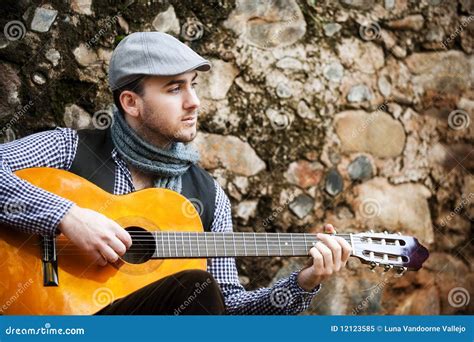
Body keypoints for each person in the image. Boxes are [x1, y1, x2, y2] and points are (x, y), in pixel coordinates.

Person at [0, 32, 351, 315]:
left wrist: (304, 282)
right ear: (130, 103)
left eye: (193, 84)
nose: (194, 101)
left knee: (199, 289)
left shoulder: (208, 197)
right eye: (174, 88)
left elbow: (223, 308)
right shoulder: (68, 149)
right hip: (53, 317)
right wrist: (67, 216)